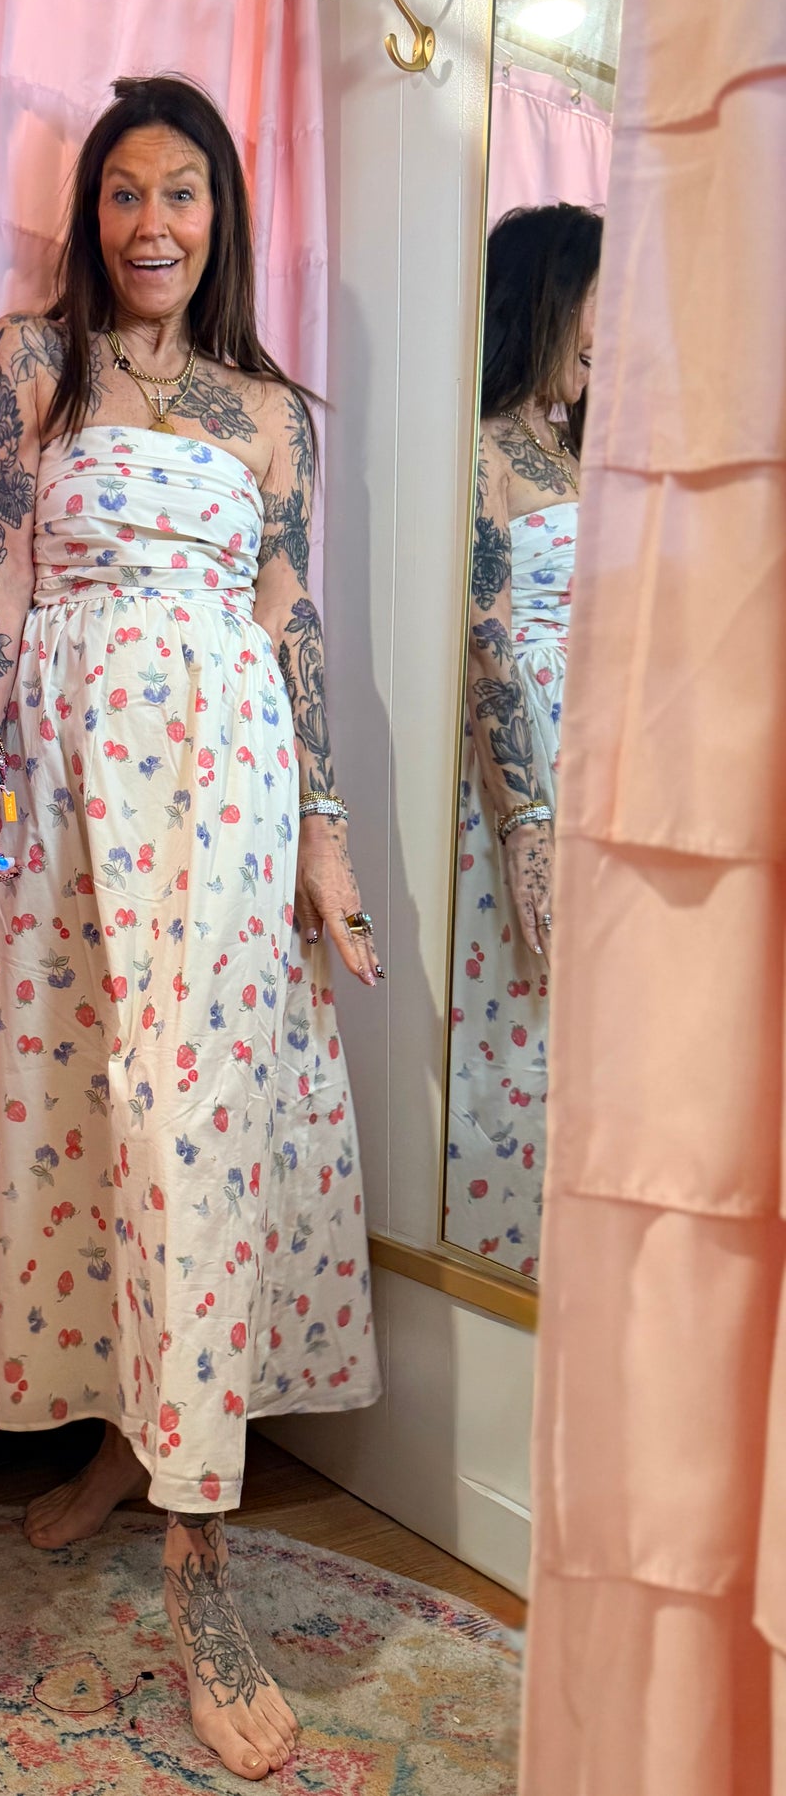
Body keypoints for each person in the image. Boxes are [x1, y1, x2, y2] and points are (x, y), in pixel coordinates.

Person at [0, 75, 382, 1782]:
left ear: (224, 214)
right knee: (86, 1130)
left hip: (228, 782)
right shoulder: (28, 363)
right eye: (125, 194)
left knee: (198, 1134)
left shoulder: (274, 413)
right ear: (90, 212)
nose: (152, 227)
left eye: (183, 194)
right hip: (62, 781)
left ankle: (201, 1547)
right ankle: (126, 1438)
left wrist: (327, 841)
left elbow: (295, 621)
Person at [446, 204, 602, 1278]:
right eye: (601, 301)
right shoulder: (484, 449)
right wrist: (526, 816)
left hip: (614, 758)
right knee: (518, 1034)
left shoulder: (588, 453)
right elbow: (486, 639)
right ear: (548, 297)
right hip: (530, 760)